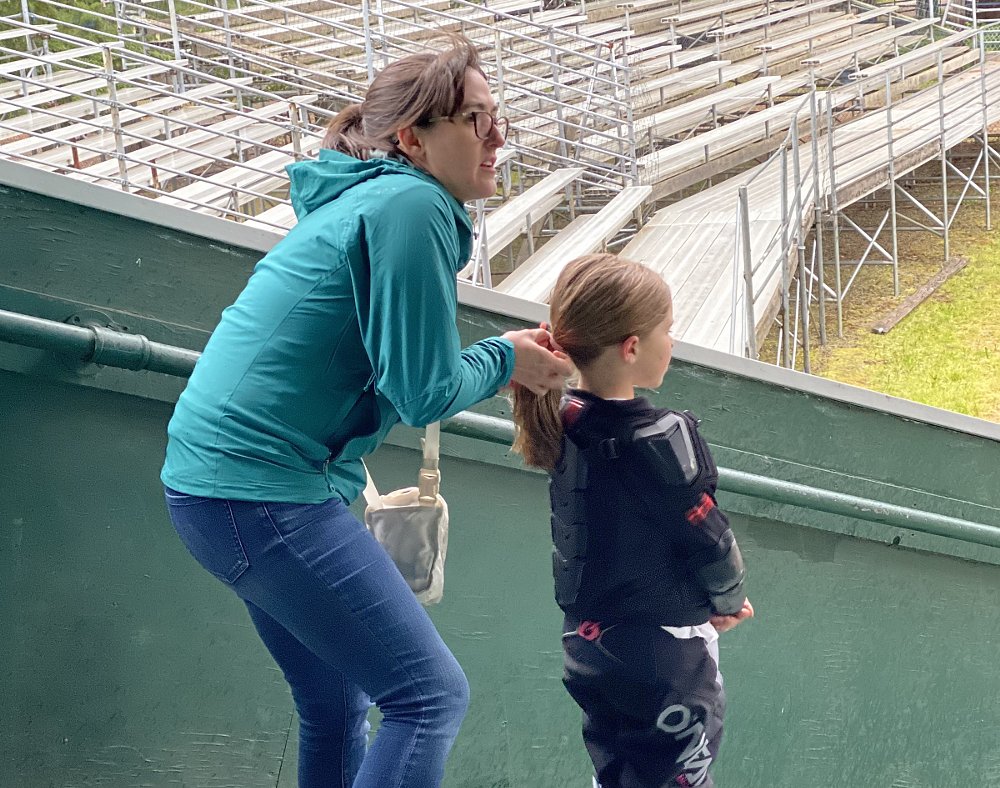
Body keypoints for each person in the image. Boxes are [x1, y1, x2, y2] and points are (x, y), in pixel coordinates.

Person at [160, 36, 572, 788]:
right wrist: (510, 359)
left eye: (496, 115)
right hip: (259, 494)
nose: (498, 137)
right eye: (475, 120)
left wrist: (502, 353)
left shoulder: (370, 195)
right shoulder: (413, 204)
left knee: (333, 701)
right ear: (413, 138)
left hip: (217, 488)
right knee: (429, 697)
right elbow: (423, 391)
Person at [511, 253, 754, 788]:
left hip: (589, 647)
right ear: (632, 347)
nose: (673, 342)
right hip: (663, 654)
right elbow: (708, 537)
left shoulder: (561, 417)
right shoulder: (659, 439)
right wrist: (730, 601)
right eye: (668, 330)